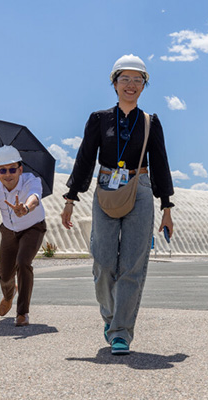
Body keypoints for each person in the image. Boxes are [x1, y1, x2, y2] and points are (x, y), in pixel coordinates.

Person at [60, 54, 174, 355]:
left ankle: (121, 331)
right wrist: (71, 199)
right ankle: (111, 318)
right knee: (103, 261)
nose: (131, 85)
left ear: (144, 85)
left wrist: (167, 207)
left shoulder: (151, 122)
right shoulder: (99, 119)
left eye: (138, 80)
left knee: (133, 265)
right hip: (107, 188)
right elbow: (85, 157)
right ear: (114, 83)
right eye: (125, 79)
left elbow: (161, 162)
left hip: (140, 187)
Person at [0, 145, 47, 327]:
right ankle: (9, 295)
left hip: (33, 227)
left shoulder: (31, 180)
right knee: (4, 276)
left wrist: (25, 208)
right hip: (9, 230)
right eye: (3, 170)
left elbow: (34, 197)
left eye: (12, 169)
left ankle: (22, 313)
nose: (7, 174)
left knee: (23, 263)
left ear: (20, 169)